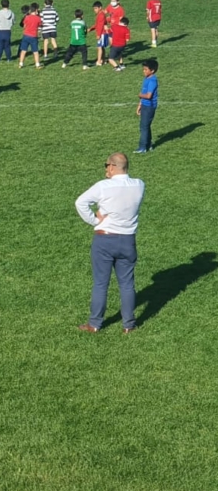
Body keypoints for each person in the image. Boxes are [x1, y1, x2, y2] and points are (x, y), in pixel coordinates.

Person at [74, 152, 145, 334]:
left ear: (112, 166)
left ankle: (94, 324)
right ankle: (128, 325)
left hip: (105, 240)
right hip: (128, 241)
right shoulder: (139, 185)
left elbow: (80, 202)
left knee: (100, 283)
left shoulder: (104, 187)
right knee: (127, 284)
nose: (106, 169)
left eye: (106, 165)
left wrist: (95, 220)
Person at [136, 58, 159, 154]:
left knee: (143, 127)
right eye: (143, 69)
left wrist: (140, 95)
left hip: (149, 107)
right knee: (146, 126)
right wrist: (140, 104)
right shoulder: (147, 79)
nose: (144, 71)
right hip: (145, 105)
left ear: (152, 70)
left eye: (146, 69)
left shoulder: (152, 81)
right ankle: (149, 145)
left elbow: (148, 95)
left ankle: (142, 147)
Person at [18, 2, 43, 69]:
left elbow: (24, 26)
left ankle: (21, 64)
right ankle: (37, 64)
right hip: (33, 36)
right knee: (35, 51)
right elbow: (40, 25)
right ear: (36, 10)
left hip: (26, 35)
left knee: (23, 51)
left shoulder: (27, 17)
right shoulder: (38, 18)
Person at [87, 1, 109, 67]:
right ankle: (103, 60)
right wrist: (91, 29)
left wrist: (98, 35)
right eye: (94, 8)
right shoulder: (100, 14)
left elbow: (100, 26)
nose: (95, 10)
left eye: (96, 8)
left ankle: (99, 61)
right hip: (103, 33)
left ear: (100, 8)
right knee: (102, 47)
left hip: (102, 34)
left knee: (99, 47)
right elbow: (97, 24)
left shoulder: (101, 15)